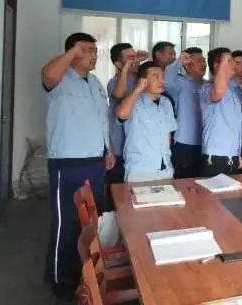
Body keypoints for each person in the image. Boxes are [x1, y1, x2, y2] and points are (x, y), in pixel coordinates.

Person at [42, 32, 114, 301]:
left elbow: (102, 120)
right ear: (72, 52)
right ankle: (61, 278)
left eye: (95, 51)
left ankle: (89, 273)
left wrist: (108, 149)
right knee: (67, 222)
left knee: (93, 221)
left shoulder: (95, 83)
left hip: (95, 160)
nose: (93, 55)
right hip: (68, 162)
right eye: (88, 50)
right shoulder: (59, 79)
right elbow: (48, 75)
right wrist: (73, 52)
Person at [117, 61, 177, 182]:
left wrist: (169, 164)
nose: (162, 81)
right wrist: (138, 89)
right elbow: (121, 114)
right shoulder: (133, 101)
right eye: (156, 77)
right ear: (143, 81)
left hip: (165, 169)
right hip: (140, 171)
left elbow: (168, 136)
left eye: (162, 77)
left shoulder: (166, 102)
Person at [105, 43, 147, 209]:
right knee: (117, 197)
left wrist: (140, 62)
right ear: (118, 64)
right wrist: (126, 69)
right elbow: (119, 94)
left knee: (136, 197)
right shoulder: (115, 82)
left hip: (137, 149)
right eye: (130, 58)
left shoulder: (139, 80)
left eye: (135, 56)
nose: (135, 60)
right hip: (118, 149)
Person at [199, 48, 242, 176]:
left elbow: (234, 127)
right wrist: (223, 64)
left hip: (232, 155)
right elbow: (218, 92)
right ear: (217, 65)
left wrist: (237, 153)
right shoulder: (207, 88)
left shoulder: (232, 92)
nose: (233, 64)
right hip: (215, 156)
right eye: (229, 61)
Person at [164, 47, 207, 178]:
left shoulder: (208, 86)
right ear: (188, 65)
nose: (204, 64)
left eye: (204, 60)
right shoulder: (180, 83)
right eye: (199, 61)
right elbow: (167, 79)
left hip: (206, 143)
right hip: (185, 144)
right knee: (183, 182)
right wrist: (179, 61)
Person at [152, 41, 177, 111]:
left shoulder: (178, 76)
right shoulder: (147, 74)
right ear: (158, 54)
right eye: (171, 54)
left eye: (174, 54)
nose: (174, 57)